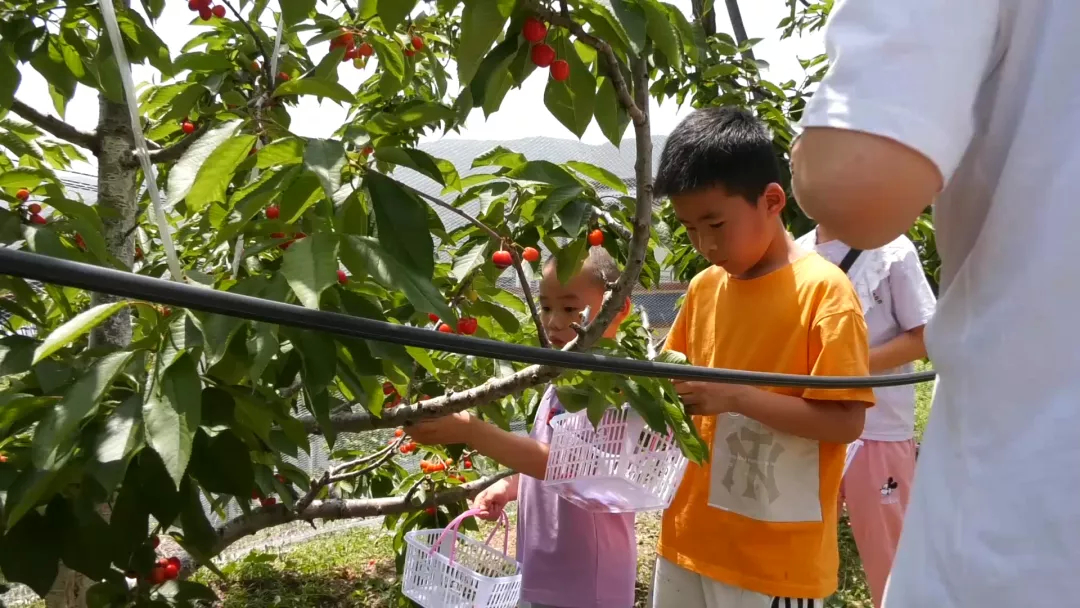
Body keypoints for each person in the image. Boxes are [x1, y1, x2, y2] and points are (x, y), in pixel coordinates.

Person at [789, 1, 1080, 606]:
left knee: (881, 551)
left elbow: (855, 179)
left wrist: (814, 156)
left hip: (1009, 523)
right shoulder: (800, 256)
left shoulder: (892, 253)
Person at [649, 106, 876, 608]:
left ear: (772, 200)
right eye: (689, 228)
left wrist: (734, 396)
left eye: (716, 223)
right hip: (687, 538)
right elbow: (674, 382)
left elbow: (845, 421)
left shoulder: (824, 292)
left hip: (773, 561)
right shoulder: (704, 288)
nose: (705, 245)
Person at [406, 247, 636, 608]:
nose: (555, 322)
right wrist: (509, 485)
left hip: (589, 581)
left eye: (571, 308)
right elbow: (541, 451)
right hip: (543, 568)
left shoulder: (617, 385)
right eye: (546, 307)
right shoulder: (562, 375)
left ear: (618, 307)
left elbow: (571, 467)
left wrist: (473, 431)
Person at [795, 226, 936, 608]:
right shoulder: (797, 252)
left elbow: (924, 335)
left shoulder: (892, 248)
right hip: (809, 425)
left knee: (889, 559)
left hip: (879, 429)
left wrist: (845, 368)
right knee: (797, 555)